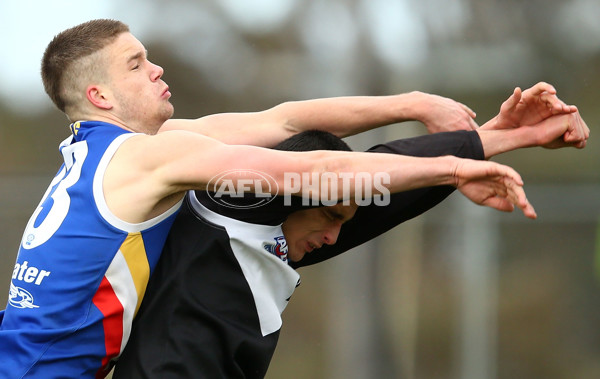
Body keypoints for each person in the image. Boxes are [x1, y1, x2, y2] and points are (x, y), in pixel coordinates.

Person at [0, 18, 567, 378]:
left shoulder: (120, 150)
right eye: (136, 63)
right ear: (100, 95)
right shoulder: (147, 157)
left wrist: (419, 102)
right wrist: (454, 165)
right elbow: (312, 170)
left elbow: (286, 118)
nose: (157, 68)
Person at [113, 106, 588, 378]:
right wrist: (439, 136)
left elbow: (385, 192)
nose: (336, 235)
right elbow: (294, 130)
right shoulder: (235, 200)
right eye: (330, 215)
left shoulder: (288, 234)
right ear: (296, 191)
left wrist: (505, 138)